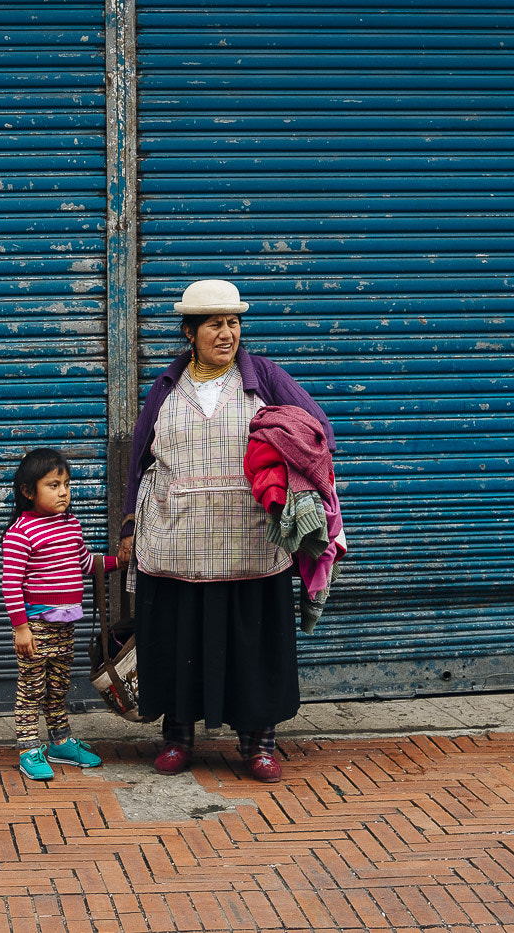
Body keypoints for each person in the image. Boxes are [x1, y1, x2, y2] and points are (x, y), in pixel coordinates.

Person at [119, 279, 337, 783]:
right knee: (178, 638)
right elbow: (139, 460)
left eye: (233, 323)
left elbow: (318, 429)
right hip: (177, 539)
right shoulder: (166, 386)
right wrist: (130, 522)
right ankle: (177, 739)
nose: (226, 333)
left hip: (250, 540)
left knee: (251, 642)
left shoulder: (265, 377)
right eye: (214, 324)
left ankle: (258, 744)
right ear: (189, 333)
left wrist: (293, 464)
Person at [1, 448, 119, 781]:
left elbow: (84, 563)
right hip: (36, 627)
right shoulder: (21, 533)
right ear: (28, 491)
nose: (63, 491)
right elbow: (10, 585)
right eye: (53, 485)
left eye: (66, 484)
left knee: (58, 687)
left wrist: (119, 562)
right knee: (31, 688)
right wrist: (20, 629)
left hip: (65, 627)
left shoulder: (71, 525)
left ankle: (60, 742)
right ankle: (28, 748)